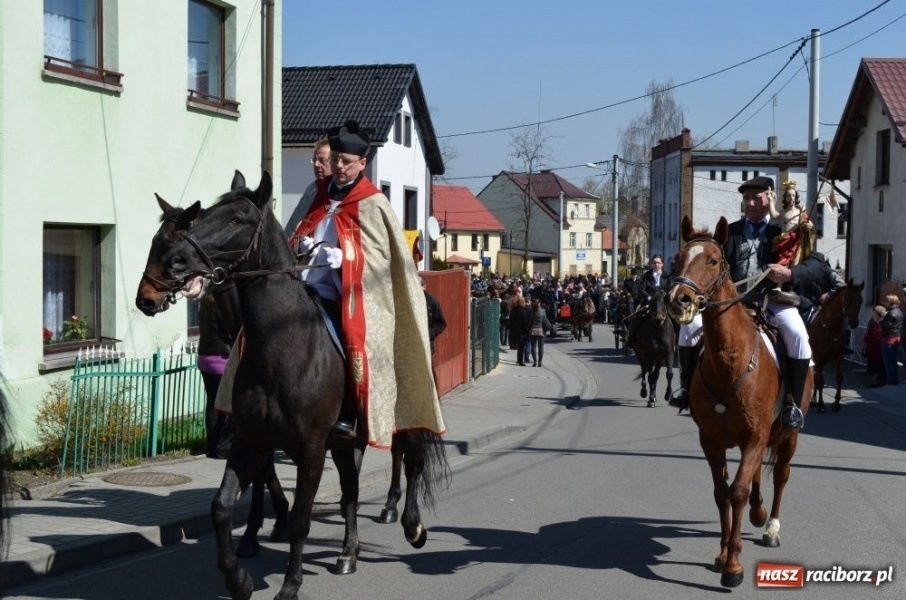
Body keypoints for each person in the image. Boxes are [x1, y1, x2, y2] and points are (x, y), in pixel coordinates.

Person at [288, 119, 445, 445]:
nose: (339, 167)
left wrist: (341, 258)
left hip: (346, 293)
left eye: (346, 162)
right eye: (334, 161)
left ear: (363, 163)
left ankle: (351, 413)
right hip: (305, 285)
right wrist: (300, 243)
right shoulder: (317, 195)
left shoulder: (373, 203)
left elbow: (382, 260)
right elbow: (297, 231)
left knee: (352, 339)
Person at [671, 175, 826, 429]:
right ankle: (686, 391)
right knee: (688, 328)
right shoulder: (729, 233)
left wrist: (790, 274)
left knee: (798, 335)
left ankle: (793, 405)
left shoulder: (786, 228)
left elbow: (817, 264)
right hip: (731, 304)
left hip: (773, 301)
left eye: (756, 197)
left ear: (770, 198)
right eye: (746, 198)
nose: (750, 203)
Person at [197, 295, 234, 459]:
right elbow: (230, 331)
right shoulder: (221, 308)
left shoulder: (204, 307)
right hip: (221, 359)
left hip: (204, 358)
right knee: (226, 404)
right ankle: (223, 448)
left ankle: (211, 446)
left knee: (212, 404)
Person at [283, 138, 331, 240]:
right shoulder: (312, 188)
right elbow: (293, 224)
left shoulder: (339, 193)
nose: (316, 165)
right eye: (314, 160)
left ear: (335, 162)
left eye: (322, 160)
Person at [625, 254, 669, 347]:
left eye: (658, 263)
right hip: (649, 302)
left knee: (675, 318)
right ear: (651, 264)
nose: (656, 264)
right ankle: (630, 339)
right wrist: (649, 298)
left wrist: (664, 297)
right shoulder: (646, 275)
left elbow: (670, 288)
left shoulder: (667, 276)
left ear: (662, 264)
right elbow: (642, 289)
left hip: (663, 303)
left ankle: (678, 343)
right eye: (654, 263)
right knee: (637, 317)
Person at [879, 294, 903, 386]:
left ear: (891, 302)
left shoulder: (891, 313)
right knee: (893, 362)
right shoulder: (899, 311)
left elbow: (886, 327)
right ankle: (893, 382)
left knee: (889, 363)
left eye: (886, 301)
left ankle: (891, 383)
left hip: (889, 339)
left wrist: (881, 321)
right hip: (896, 338)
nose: (885, 302)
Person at [421, 276, 447, 355]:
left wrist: (429, 334)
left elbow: (442, 324)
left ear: (424, 287)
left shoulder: (432, 302)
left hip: (427, 346)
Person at [864, 305, 887, 387]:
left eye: (874, 312)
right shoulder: (876, 322)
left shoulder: (879, 323)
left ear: (878, 313)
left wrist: (866, 337)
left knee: (876, 366)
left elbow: (872, 334)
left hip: (876, 347)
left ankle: (876, 382)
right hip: (874, 347)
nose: (873, 314)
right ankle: (876, 381)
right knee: (876, 365)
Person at [528, 298, 552, 367]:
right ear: (539, 304)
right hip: (541, 330)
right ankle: (540, 362)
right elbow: (545, 321)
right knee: (541, 348)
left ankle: (535, 362)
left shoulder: (530, 311)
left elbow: (529, 321)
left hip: (532, 330)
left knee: (533, 347)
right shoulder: (542, 311)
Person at [508, 295, 530, 366]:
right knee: (522, 347)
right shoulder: (524, 310)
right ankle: (520, 361)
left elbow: (510, 321)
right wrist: (527, 329)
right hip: (523, 331)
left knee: (519, 347)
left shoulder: (514, 310)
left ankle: (519, 360)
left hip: (515, 331)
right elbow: (526, 321)